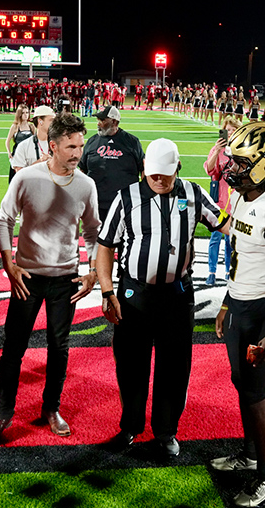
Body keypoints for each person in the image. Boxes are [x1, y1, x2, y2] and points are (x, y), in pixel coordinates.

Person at [96, 138, 231, 459]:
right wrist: (106, 290)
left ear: (177, 169)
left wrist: (258, 230)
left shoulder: (193, 193)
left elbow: (225, 224)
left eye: (165, 176)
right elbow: (105, 246)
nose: (158, 180)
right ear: (144, 168)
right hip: (134, 295)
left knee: (174, 367)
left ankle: (166, 431)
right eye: (153, 174)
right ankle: (130, 426)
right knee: (131, 365)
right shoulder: (126, 197)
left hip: (177, 296)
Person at [0, 113, 100, 445]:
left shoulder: (85, 184)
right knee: (13, 349)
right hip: (28, 278)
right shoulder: (27, 178)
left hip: (65, 279)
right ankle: (3, 414)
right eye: (71, 146)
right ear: (53, 145)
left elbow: (92, 231)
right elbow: (4, 220)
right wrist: (8, 262)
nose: (78, 153)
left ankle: (52, 408)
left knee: (59, 348)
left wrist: (92, 269)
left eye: (80, 145)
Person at [209, 123, 265, 507]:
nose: (233, 168)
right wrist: (229, 302)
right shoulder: (246, 197)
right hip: (242, 302)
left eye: (242, 162)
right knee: (241, 382)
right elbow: (240, 256)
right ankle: (249, 455)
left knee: (255, 392)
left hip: (263, 310)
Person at [78, 105, 145, 222]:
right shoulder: (91, 142)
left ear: (114, 121)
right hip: (96, 204)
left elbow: (143, 168)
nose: (98, 123)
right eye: (98, 120)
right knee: (95, 238)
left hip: (125, 204)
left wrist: (142, 195)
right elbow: (82, 170)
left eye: (102, 120)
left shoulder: (132, 142)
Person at [203, 115, 242, 285]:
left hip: (236, 200)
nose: (230, 133)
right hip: (220, 201)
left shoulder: (241, 149)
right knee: (215, 238)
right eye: (227, 130)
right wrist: (218, 151)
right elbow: (210, 170)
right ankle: (211, 271)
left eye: (233, 130)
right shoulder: (216, 149)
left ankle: (228, 270)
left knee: (230, 239)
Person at [10, 105, 55, 173]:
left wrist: (54, 162)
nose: (54, 124)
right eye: (51, 120)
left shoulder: (59, 144)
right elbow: (19, 174)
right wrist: (40, 162)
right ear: (40, 122)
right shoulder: (24, 146)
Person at [5, 104, 35, 183]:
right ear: (19, 114)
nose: (25, 115)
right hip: (17, 155)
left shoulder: (31, 127)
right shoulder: (15, 126)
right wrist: (9, 153)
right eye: (23, 113)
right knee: (15, 180)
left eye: (27, 112)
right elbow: (7, 141)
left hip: (29, 156)